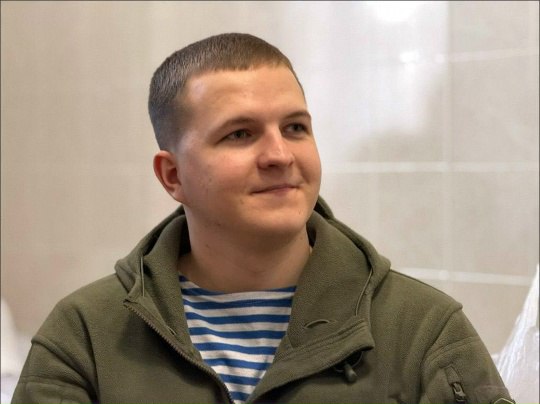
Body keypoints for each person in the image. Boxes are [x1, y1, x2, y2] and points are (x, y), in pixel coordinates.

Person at [12, 33, 513, 404]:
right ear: (173, 176)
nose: (279, 155)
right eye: (240, 134)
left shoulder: (423, 330)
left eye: (295, 128)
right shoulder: (86, 335)